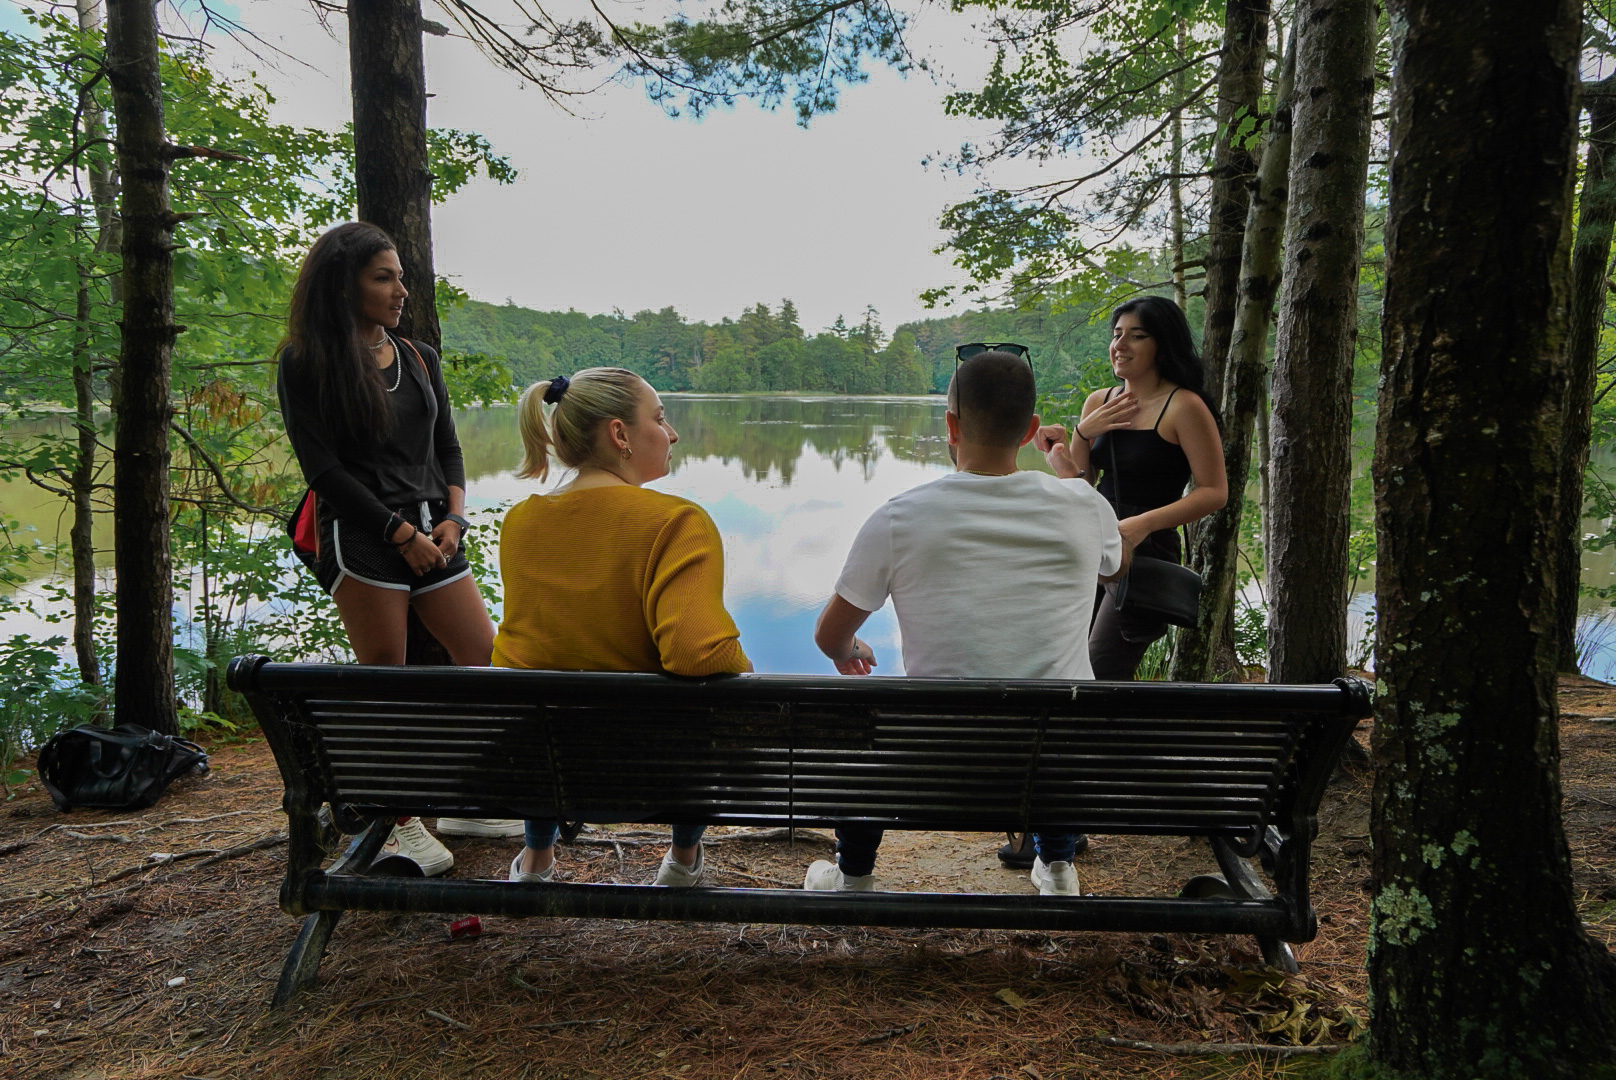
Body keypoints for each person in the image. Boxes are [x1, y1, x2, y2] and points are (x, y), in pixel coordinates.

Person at [806, 349, 1128, 896]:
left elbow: (828, 636)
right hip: (1055, 761)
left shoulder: (898, 515)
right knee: (1059, 718)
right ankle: (1056, 867)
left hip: (939, 758)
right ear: (1030, 430)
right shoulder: (1085, 504)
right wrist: (1068, 475)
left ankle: (853, 874)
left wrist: (849, 647)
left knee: (857, 727)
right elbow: (1113, 565)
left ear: (950, 426)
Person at [277, 222, 508, 877]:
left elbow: (450, 449)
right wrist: (397, 534)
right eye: (384, 277)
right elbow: (323, 472)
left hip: (437, 532)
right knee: (385, 679)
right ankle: (402, 821)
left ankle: (467, 797)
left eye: (401, 276)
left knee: (481, 654)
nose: (401, 289)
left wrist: (454, 522)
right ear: (342, 283)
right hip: (365, 540)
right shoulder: (306, 362)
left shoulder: (419, 356)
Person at [494, 368, 752, 887]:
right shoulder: (678, 521)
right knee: (711, 697)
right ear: (619, 435)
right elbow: (696, 654)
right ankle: (682, 860)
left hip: (543, 766)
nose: (672, 433)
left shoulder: (520, 521)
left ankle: (537, 862)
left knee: (541, 695)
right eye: (659, 418)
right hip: (651, 774)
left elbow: (534, 651)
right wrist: (743, 670)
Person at [1037, 296, 1228, 682]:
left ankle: (1098, 740)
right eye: (1116, 334)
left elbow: (1213, 491)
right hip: (1093, 540)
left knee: (1102, 665)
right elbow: (1081, 486)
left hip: (1147, 550)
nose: (1120, 345)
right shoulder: (1099, 401)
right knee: (1060, 654)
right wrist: (1077, 437)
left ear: (1163, 344)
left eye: (1136, 336)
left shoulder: (1184, 406)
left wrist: (1139, 526)